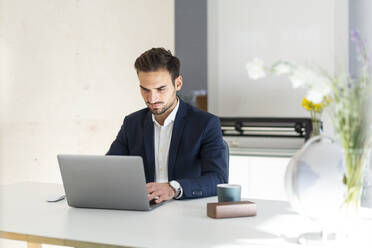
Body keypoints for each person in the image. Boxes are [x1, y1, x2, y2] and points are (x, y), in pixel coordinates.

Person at [106, 48, 228, 204]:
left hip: (186, 210)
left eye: (160, 89)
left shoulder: (205, 124)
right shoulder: (132, 123)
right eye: (145, 89)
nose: (152, 98)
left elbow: (218, 179)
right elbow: (109, 169)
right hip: (143, 210)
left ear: (178, 83)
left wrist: (172, 188)